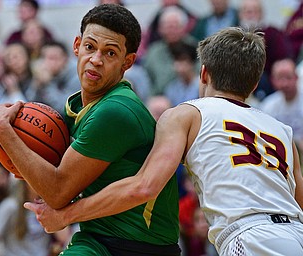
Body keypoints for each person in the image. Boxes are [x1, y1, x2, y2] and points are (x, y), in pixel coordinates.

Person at [24, 27, 303, 255]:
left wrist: (65, 215)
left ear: (203, 73)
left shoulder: (188, 114)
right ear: (254, 84)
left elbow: (144, 186)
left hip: (251, 238)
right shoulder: (282, 131)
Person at [0, 4, 180, 255]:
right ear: (77, 45)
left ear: (128, 61)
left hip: (140, 247)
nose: (96, 60)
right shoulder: (76, 105)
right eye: (90, 47)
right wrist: (25, 162)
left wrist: (3, 130)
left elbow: (57, 193)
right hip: (96, 238)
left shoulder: (116, 110)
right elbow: (55, 178)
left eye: (110, 53)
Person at [238, 0, 294, 101]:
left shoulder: (273, 33)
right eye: (247, 11)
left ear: (261, 14)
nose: (251, 15)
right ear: (240, 14)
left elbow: (284, 58)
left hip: (267, 81)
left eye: (255, 11)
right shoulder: (233, 36)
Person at [142, 5, 197, 95]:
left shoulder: (194, 47)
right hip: (160, 97)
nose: (171, 30)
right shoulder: (153, 51)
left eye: (175, 26)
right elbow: (147, 78)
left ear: (184, 27)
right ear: (160, 29)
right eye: (168, 27)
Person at [259, 58, 303, 163]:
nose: (285, 84)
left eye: (288, 77)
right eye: (280, 78)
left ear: (296, 77)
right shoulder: (268, 106)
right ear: (272, 80)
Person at [31, 40, 80, 115]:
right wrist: (38, 85)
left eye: (52, 58)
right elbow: (30, 103)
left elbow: (65, 110)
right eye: (44, 57)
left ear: (65, 59)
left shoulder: (77, 75)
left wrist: (48, 84)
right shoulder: (44, 73)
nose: (47, 62)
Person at [164, 41, 199, 106]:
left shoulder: (201, 86)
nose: (179, 65)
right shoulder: (171, 87)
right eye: (177, 60)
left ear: (192, 63)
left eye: (183, 60)